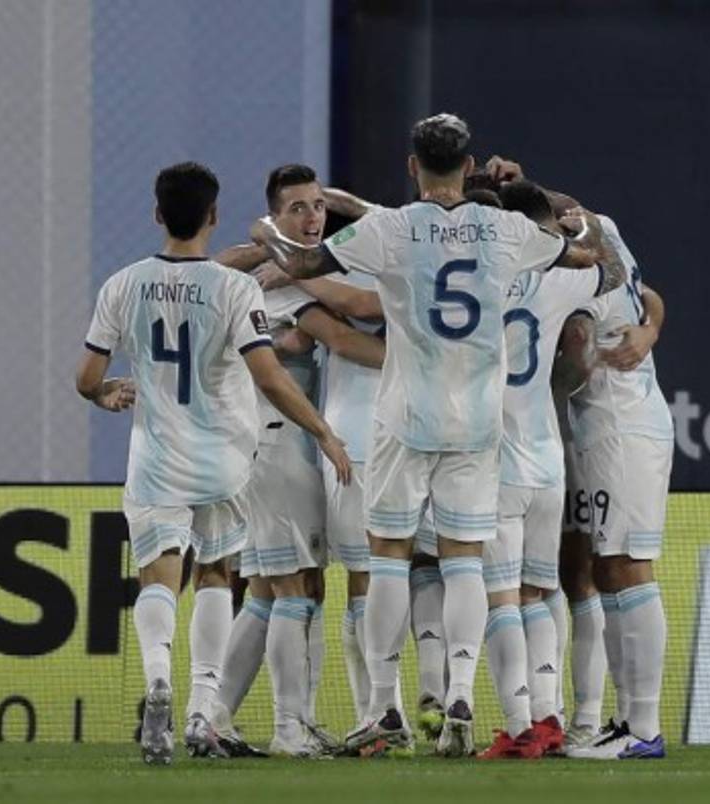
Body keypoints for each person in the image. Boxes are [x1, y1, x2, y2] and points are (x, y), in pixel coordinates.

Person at [246, 113, 622, 757]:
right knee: (465, 562)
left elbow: (306, 259)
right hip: (478, 419)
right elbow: (593, 258)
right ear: (469, 167)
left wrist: (268, 233)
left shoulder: (390, 228)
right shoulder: (508, 229)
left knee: (388, 556)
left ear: (411, 166)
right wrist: (576, 217)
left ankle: (386, 706)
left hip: (407, 414)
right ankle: (462, 699)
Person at [75, 161, 350, 765]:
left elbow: (87, 378)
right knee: (218, 576)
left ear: (156, 214)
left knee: (158, 577)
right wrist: (323, 430)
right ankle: (201, 712)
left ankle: (157, 683)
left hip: (155, 457)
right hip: (223, 456)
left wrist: (106, 393)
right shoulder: (235, 289)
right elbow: (270, 376)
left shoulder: (122, 284)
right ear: (214, 215)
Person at [210, 164, 387, 758]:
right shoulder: (286, 280)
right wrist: (419, 357)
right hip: (279, 440)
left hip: (263, 441)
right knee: (298, 587)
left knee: (264, 587)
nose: (312, 218)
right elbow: (345, 338)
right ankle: (292, 726)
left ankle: (214, 718)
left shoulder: (277, 268)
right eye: (297, 210)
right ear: (276, 217)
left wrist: (274, 250)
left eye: (317, 207)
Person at [476, 179, 616, 759]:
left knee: (502, 597)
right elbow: (609, 270)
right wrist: (580, 223)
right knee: (541, 589)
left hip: (493, 456)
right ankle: (551, 715)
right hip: (546, 455)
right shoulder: (561, 279)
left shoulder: (477, 276)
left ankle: (519, 725)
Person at [559, 216, 671, 761]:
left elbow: (577, 364)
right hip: (609, 427)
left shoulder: (580, 282)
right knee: (607, 568)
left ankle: (644, 727)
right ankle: (626, 720)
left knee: (627, 564)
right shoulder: (606, 233)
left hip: (621, 426)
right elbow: (651, 295)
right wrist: (650, 327)